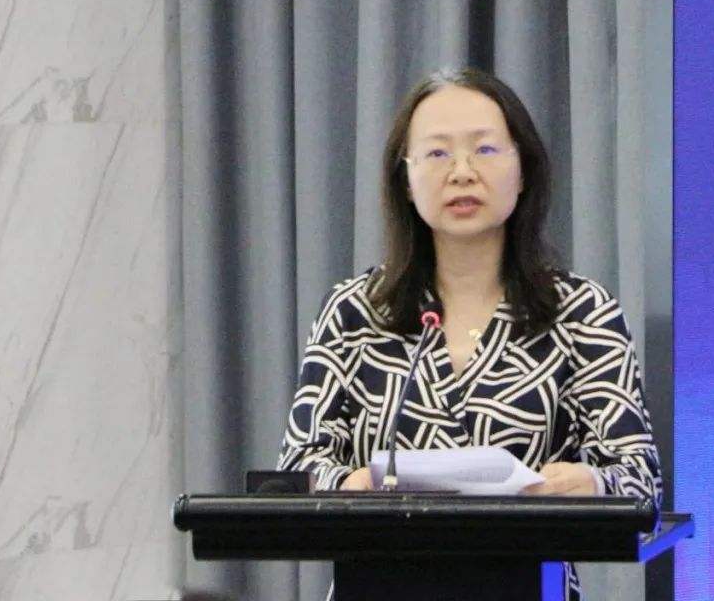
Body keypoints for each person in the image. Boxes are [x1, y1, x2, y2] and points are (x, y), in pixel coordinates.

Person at [278, 68, 662, 599]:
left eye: (484, 150)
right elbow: (298, 468)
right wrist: (348, 484)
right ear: (405, 180)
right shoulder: (356, 311)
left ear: (523, 170)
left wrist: (592, 483)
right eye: (437, 153)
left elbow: (640, 480)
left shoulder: (580, 312)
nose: (462, 173)